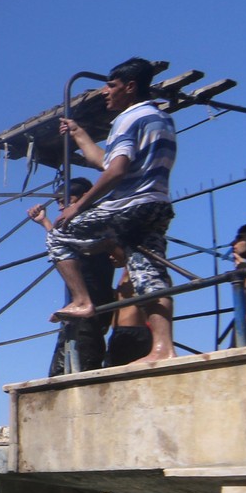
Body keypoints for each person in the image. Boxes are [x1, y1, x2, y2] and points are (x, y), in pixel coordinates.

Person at [47, 57, 178, 363]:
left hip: (129, 205)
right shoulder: (160, 118)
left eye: (111, 85)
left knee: (59, 236)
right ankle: (163, 348)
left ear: (130, 87)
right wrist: (79, 133)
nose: (105, 91)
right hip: (157, 205)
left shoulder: (127, 118)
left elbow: (116, 171)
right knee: (150, 275)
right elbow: (107, 161)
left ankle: (82, 301)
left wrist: (78, 205)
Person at [29, 177, 116, 375]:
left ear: (83, 198)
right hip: (80, 317)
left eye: (65, 201)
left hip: (91, 315)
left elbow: (66, 242)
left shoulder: (93, 225)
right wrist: (45, 222)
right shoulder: (80, 230)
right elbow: (64, 243)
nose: (61, 208)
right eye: (59, 203)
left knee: (78, 370)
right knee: (62, 371)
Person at [105, 274, 152, 367]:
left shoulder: (133, 274)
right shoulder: (128, 277)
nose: (111, 258)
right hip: (128, 331)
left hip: (131, 332)